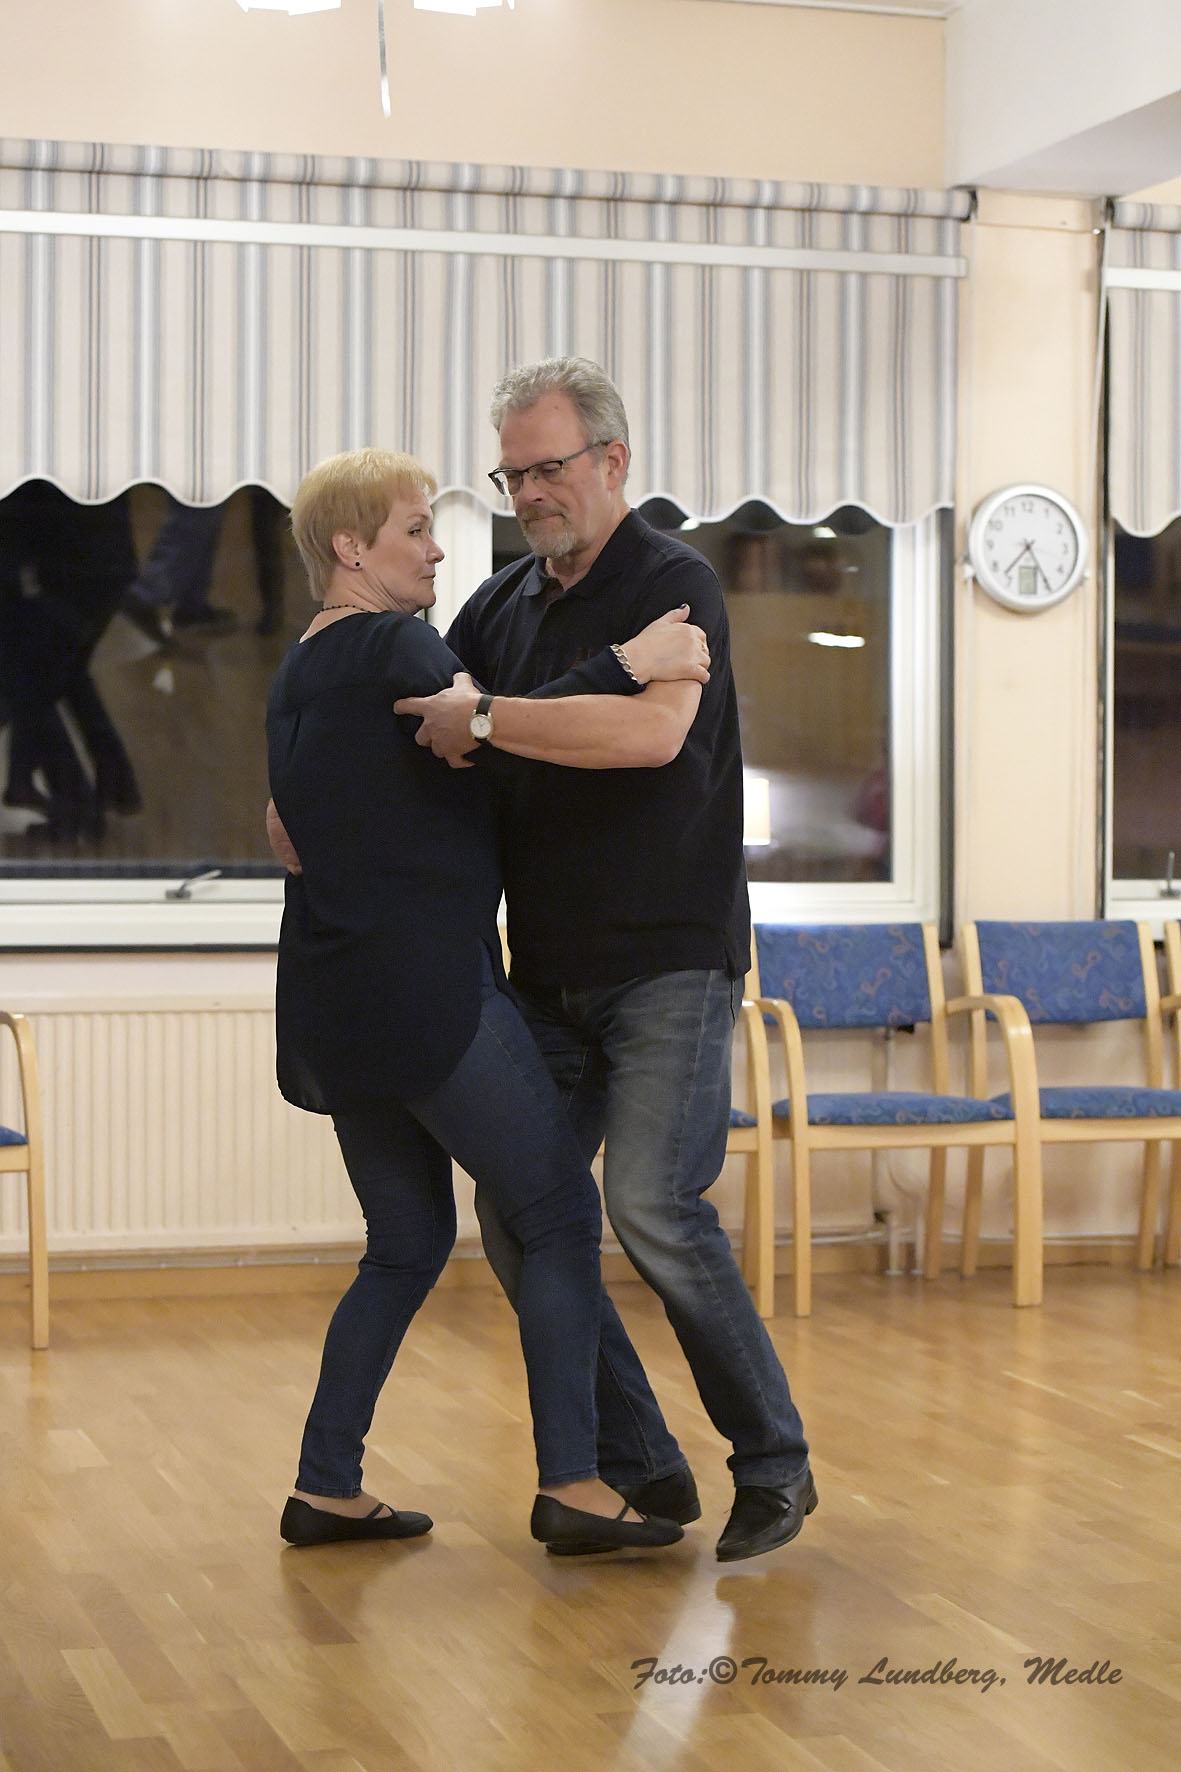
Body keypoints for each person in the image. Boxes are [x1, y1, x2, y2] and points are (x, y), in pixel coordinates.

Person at [394, 357, 816, 1563]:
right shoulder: (498, 607)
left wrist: (491, 718)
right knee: (519, 1212)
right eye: (511, 474)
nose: (528, 492)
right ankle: (638, 1462)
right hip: (546, 970)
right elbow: (437, 734)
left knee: (650, 1204)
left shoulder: (674, 582)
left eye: (547, 467)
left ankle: (773, 1464)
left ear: (612, 460)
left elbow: (646, 733)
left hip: (669, 958)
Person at [267, 445, 705, 1554]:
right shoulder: (393, 643)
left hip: (334, 1001)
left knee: (405, 1242)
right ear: (350, 547)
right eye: (416, 528)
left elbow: (301, 822)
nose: (437, 549)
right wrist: (627, 660)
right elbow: (482, 725)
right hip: (425, 989)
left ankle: (326, 1485)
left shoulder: (297, 669)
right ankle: (574, 1483)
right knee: (555, 1213)